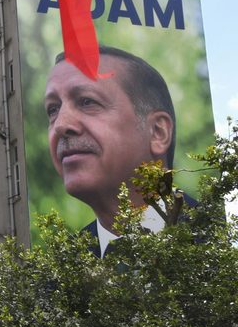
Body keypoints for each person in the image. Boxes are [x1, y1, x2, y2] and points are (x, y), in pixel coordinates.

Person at [44, 46, 188, 257]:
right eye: (53, 109)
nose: (60, 125)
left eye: (87, 101)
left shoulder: (222, 241)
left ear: (158, 132)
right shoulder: (57, 274)